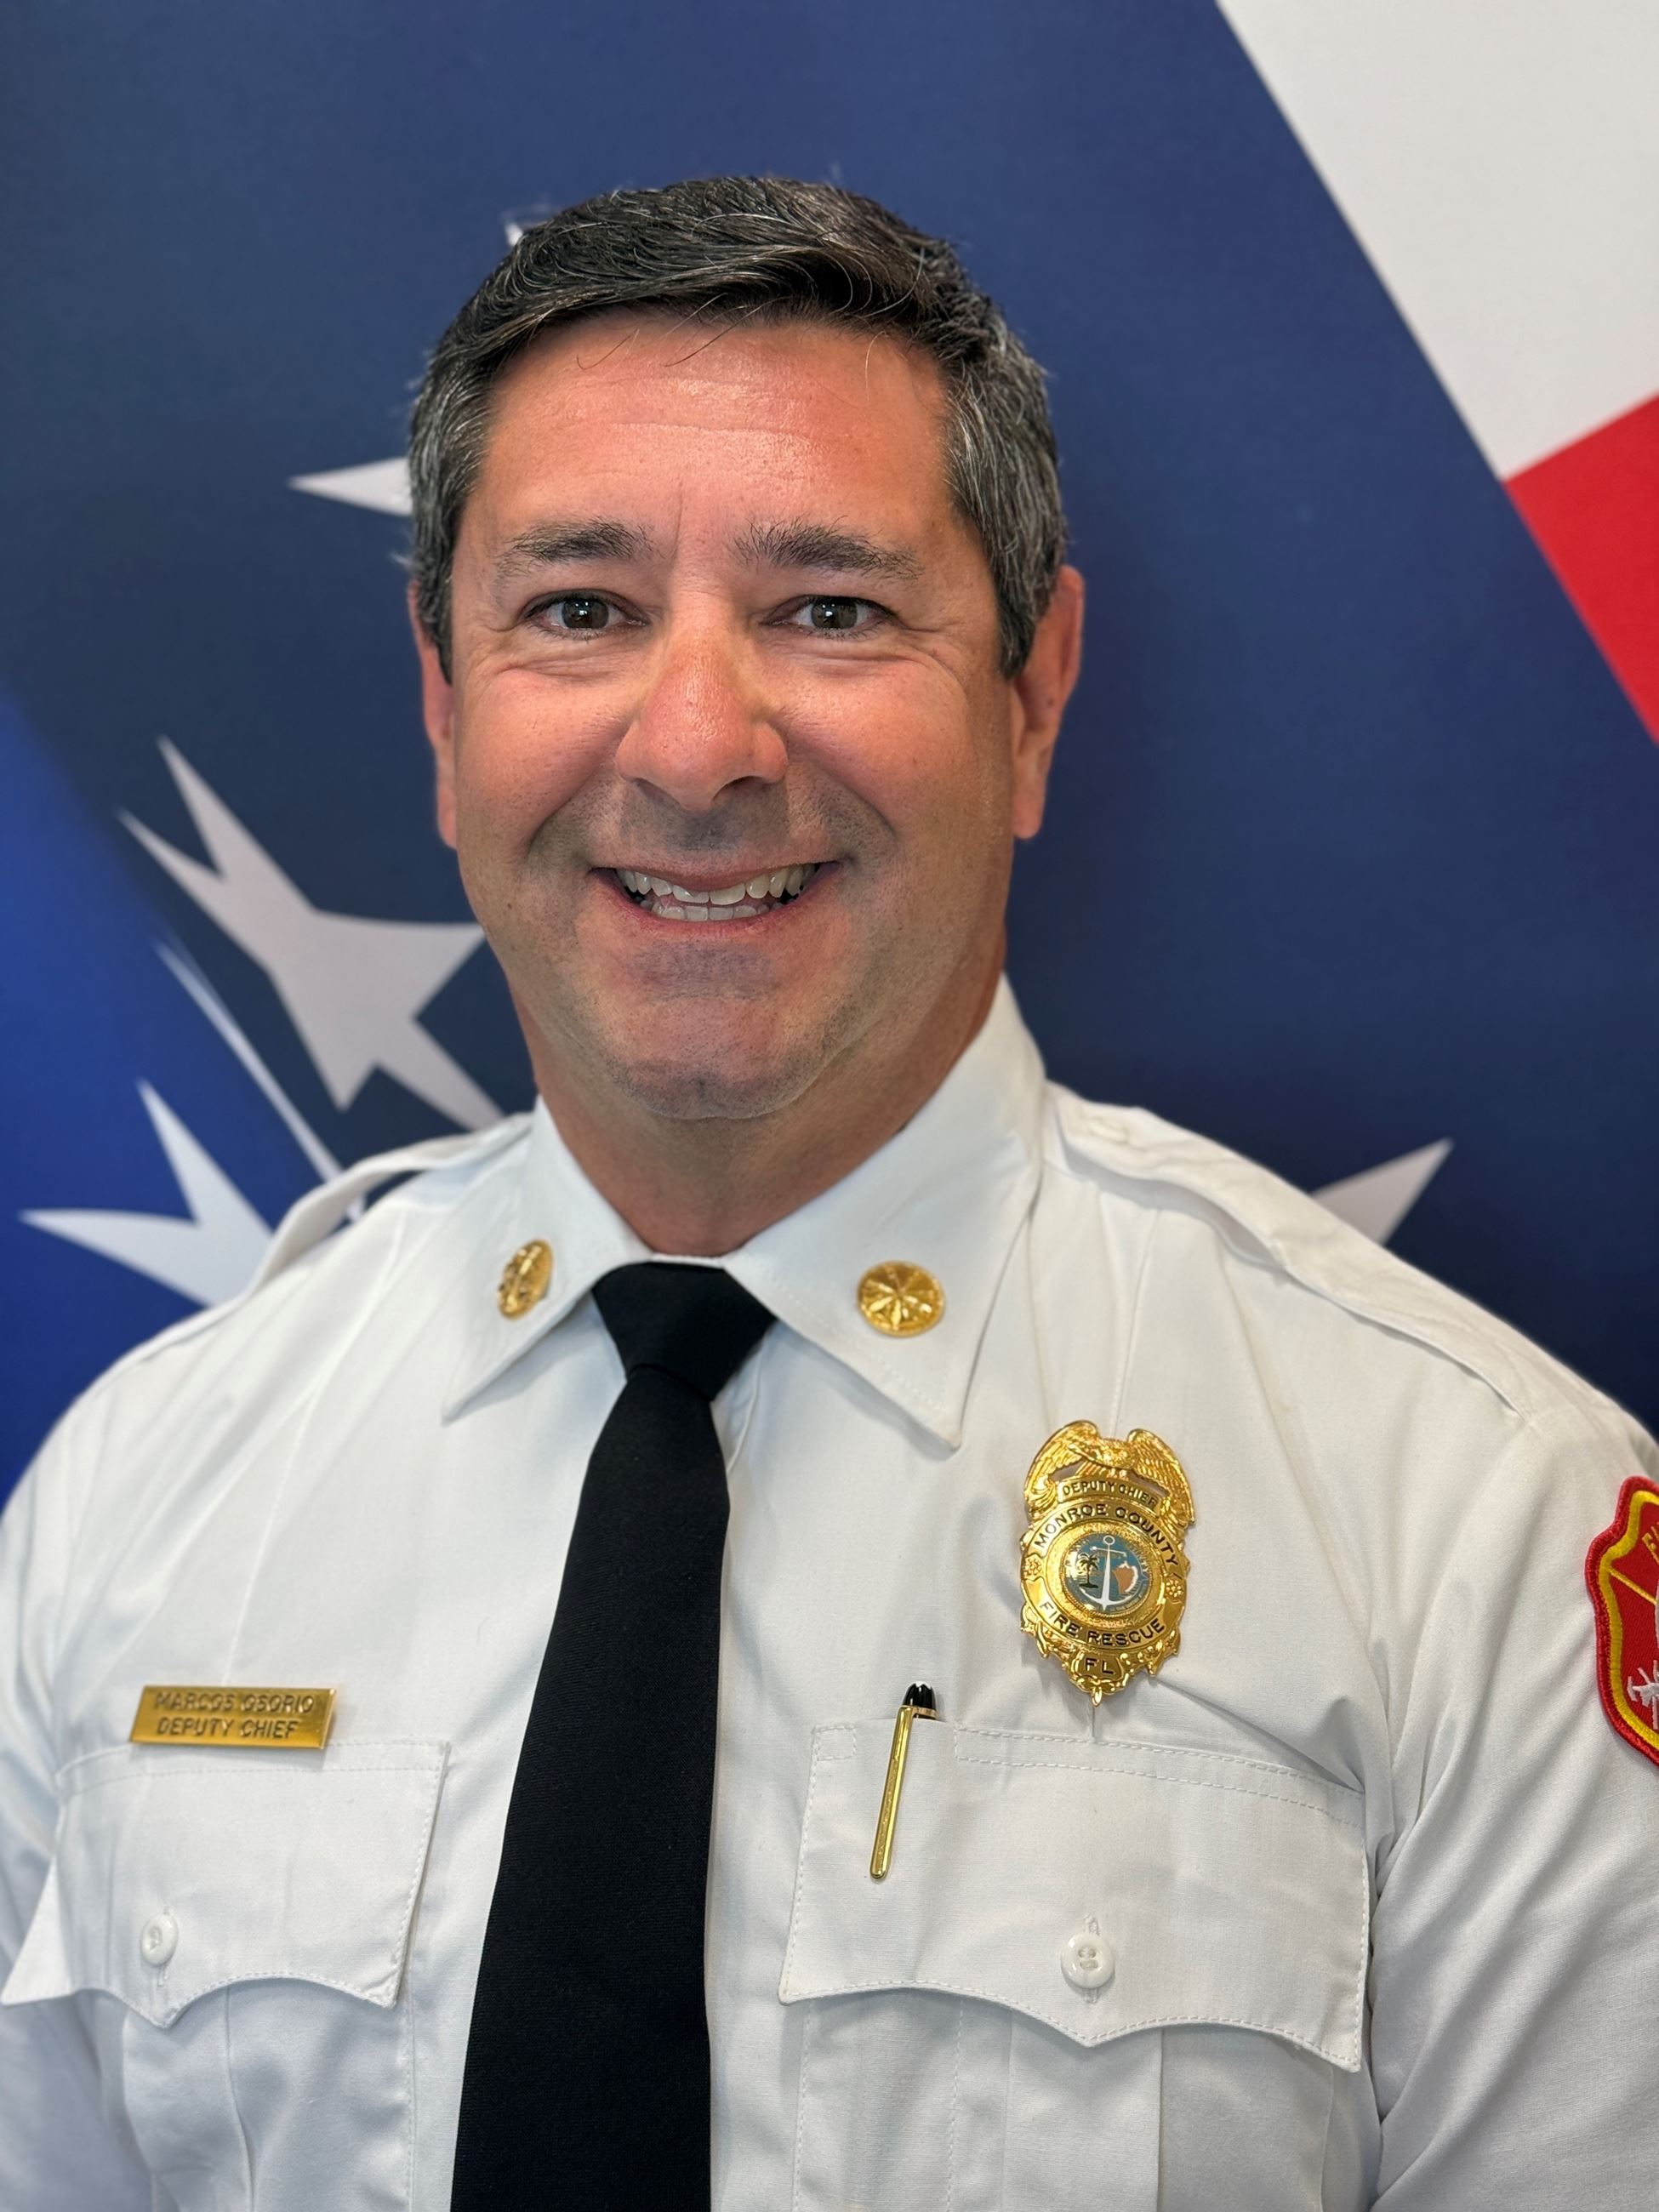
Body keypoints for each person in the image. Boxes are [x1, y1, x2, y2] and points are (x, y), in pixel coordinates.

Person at [0, 175, 1652, 2212]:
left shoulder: (1468, 1524)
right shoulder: (143, 1508)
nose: (698, 746)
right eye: (580, 609)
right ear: (445, 708)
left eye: (833, 609)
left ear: (1034, 693)